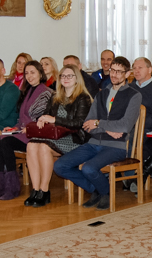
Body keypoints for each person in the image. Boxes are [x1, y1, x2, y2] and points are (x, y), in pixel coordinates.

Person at [55, 57, 142, 210]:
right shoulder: (101, 94)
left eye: (119, 72)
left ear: (128, 74)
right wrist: (107, 129)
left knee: (88, 168)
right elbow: (87, 124)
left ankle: (105, 193)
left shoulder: (134, 95)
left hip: (116, 146)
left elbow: (124, 125)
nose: (114, 74)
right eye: (112, 70)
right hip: (93, 142)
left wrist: (98, 123)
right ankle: (98, 189)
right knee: (60, 166)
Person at [24, 66, 92, 207]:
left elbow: (79, 123)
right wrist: (42, 119)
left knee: (44, 148)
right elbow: (47, 114)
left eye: (70, 76)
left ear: (77, 79)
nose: (66, 79)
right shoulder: (55, 96)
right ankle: (35, 189)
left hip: (74, 138)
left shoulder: (83, 98)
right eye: (63, 76)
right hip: (55, 136)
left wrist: (55, 120)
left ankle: (44, 191)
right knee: (31, 145)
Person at [0, 61, 54, 200]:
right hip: (23, 132)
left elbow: (43, 119)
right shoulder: (26, 91)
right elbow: (22, 119)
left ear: (40, 74)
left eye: (33, 72)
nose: (29, 76)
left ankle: (12, 187)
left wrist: (28, 128)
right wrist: (14, 128)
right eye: (27, 73)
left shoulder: (46, 93)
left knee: (6, 143)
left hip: (36, 135)